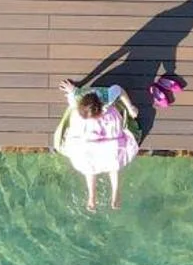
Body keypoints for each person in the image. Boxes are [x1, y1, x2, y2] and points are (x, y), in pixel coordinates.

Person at [53, 79, 140, 210]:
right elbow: (73, 94)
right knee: (99, 159)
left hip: (106, 124)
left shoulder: (107, 97)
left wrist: (130, 107)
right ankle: (95, 195)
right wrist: (71, 89)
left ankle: (110, 193)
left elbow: (119, 89)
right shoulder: (79, 99)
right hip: (98, 127)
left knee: (104, 159)